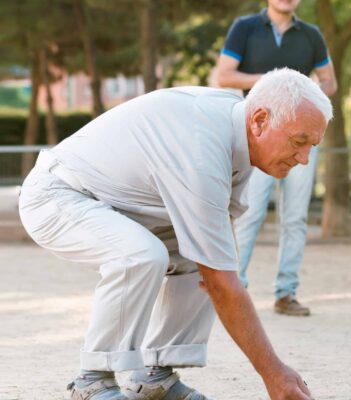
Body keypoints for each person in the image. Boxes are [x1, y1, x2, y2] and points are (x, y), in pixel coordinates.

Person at [18, 68, 332, 400]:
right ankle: (92, 381)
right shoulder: (202, 146)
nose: (304, 159)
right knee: (144, 256)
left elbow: (219, 252)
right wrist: (274, 374)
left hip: (115, 207)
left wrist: (223, 274)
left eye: (311, 146)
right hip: (56, 196)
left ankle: (155, 377)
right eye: (299, 142)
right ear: (259, 121)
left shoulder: (235, 133)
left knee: (206, 256)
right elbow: (221, 282)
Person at [215, 0, 337, 317]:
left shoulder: (311, 35)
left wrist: (306, 90)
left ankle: (287, 293)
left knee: (295, 217)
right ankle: (233, 288)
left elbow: (330, 82)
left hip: (301, 137)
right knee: (249, 213)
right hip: (260, 137)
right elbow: (225, 76)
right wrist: (277, 85)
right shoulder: (245, 28)